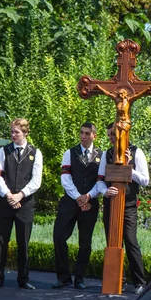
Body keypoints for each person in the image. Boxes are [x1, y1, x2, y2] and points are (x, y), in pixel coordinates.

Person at [0, 118, 43, 291]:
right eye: (11, 131)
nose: (13, 135)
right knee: (2, 241)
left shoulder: (36, 153)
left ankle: (23, 278)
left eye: (16, 132)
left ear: (26, 133)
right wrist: (9, 195)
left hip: (25, 205)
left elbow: (36, 181)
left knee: (23, 242)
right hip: (4, 204)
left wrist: (20, 195)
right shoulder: (3, 151)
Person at [97, 123, 149, 294]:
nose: (111, 138)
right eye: (109, 135)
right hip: (111, 202)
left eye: (113, 134)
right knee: (113, 240)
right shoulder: (107, 153)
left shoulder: (136, 152)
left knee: (130, 240)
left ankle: (140, 282)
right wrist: (105, 190)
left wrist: (129, 169)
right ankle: (118, 280)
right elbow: (100, 179)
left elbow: (145, 180)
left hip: (128, 203)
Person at [52, 122, 103, 289]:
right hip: (70, 202)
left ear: (94, 135)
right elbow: (65, 179)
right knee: (59, 237)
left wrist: (88, 197)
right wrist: (79, 198)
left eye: (87, 133)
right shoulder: (70, 152)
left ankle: (79, 279)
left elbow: (101, 181)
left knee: (85, 242)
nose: (83, 136)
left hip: (90, 203)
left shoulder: (101, 155)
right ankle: (63, 277)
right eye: (81, 132)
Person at [94, 85, 151, 164]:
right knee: (117, 139)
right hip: (118, 122)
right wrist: (99, 88)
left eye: (122, 93)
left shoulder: (128, 99)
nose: (120, 95)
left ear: (125, 93)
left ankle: (121, 157)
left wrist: (146, 90)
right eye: (119, 93)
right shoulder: (117, 100)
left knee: (122, 138)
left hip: (125, 122)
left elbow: (137, 95)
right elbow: (108, 94)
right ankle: (118, 158)